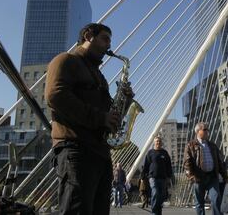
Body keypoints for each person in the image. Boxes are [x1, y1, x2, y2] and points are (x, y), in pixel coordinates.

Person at [46, 23, 131, 215]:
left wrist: (124, 102)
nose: (109, 46)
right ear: (88, 35)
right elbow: (55, 96)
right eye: (105, 39)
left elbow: (110, 115)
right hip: (76, 149)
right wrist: (101, 117)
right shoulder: (66, 60)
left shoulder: (99, 77)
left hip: (99, 152)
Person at [184, 122, 228, 215]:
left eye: (207, 129)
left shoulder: (212, 145)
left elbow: (220, 162)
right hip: (198, 178)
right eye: (205, 129)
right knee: (199, 203)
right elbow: (187, 163)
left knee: (216, 199)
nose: (207, 131)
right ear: (197, 131)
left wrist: (225, 176)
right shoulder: (190, 145)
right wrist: (192, 177)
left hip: (212, 176)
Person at [142, 136, 172, 215]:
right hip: (153, 177)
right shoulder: (150, 153)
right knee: (155, 192)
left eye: (159, 141)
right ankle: (154, 212)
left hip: (163, 178)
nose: (158, 142)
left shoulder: (164, 153)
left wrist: (169, 176)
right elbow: (146, 165)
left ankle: (158, 211)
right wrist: (143, 176)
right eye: (156, 141)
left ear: (161, 143)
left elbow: (169, 165)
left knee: (161, 196)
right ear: (154, 143)